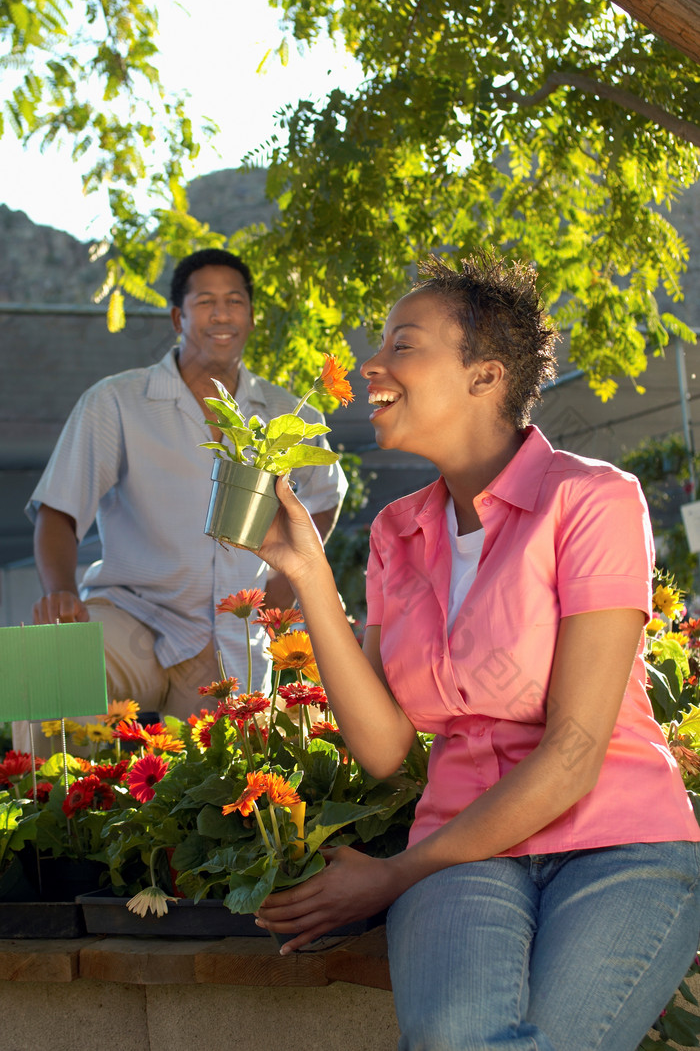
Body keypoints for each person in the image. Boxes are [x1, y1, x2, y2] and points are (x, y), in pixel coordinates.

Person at [250, 250, 700, 1051]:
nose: (373, 364)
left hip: (620, 844)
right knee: (460, 1037)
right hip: (463, 854)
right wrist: (311, 578)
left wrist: (392, 877)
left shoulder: (590, 500)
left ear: (485, 376)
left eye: (403, 345)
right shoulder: (397, 532)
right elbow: (388, 749)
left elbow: (573, 752)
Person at [26, 248, 347, 721]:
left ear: (252, 316)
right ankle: (41, 795)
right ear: (178, 316)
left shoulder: (292, 414)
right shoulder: (116, 401)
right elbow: (59, 510)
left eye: (235, 301)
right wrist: (61, 591)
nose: (221, 313)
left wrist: (286, 580)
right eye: (205, 301)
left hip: (234, 636)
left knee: (232, 775)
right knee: (51, 663)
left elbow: (325, 497)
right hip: (133, 615)